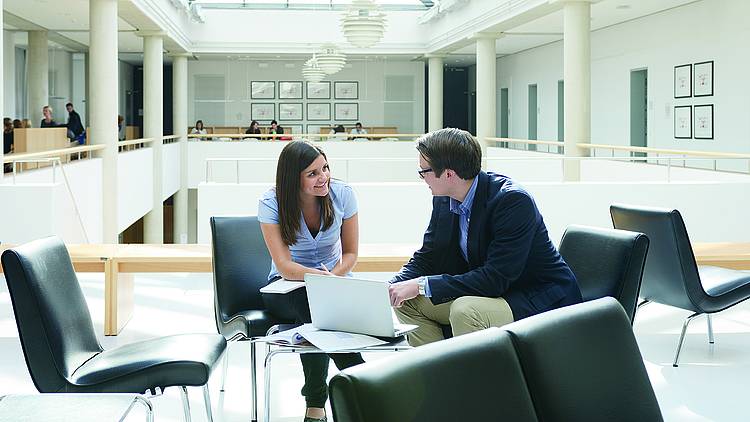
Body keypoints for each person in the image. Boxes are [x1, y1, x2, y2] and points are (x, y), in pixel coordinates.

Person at [388, 128, 582, 347]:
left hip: (535, 297)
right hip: (492, 293)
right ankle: (438, 374)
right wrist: (393, 285)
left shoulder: (512, 202)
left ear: (449, 174)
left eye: (424, 171)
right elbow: (428, 255)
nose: (422, 178)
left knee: (466, 311)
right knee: (405, 301)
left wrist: (422, 285)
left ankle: (473, 381)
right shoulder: (444, 198)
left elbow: (496, 278)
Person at [258, 140, 364, 422]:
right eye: (313, 173)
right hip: (287, 286)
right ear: (294, 178)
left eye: (325, 168)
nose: (324, 177)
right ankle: (364, 381)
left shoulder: (342, 194)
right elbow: (284, 266)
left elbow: (351, 253)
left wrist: (333, 278)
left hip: (334, 281)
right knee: (316, 308)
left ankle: (315, 407)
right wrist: (320, 281)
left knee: (317, 315)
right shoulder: (271, 203)